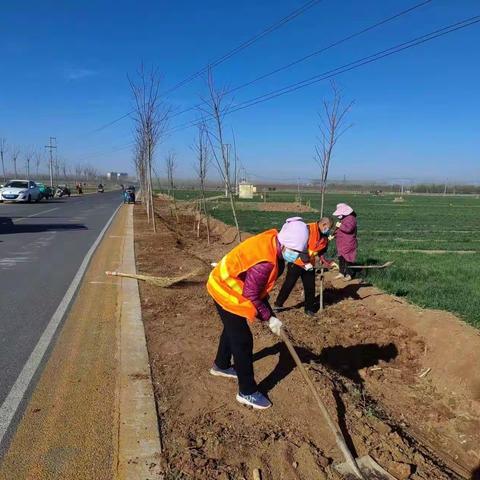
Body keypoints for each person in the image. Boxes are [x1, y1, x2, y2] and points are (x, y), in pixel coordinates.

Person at [207, 217, 309, 410]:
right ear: (286, 244)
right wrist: (269, 317)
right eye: (295, 252)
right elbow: (252, 294)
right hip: (225, 289)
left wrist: (269, 314)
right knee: (242, 339)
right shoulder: (267, 262)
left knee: (232, 329)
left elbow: (257, 289)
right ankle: (247, 392)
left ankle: (221, 365)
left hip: (226, 281)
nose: (296, 257)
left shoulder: (273, 240)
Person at [274, 217, 337, 316]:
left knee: (310, 286)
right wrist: (306, 261)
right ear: (324, 224)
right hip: (297, 261)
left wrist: (327, 261)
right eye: (328, 227)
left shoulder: (324, 235)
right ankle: (278, 304)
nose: (328, 230)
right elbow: (301, 245)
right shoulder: (308, 229)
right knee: (289, 284)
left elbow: (321, 250)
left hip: (309, 264)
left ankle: (309, 309)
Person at [331, 203, 357, 280]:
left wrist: (340, 226)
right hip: (341, 243)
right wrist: (333, 235)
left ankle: (349, 274)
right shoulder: (343, 219)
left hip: (348, 243)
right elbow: (339, 230)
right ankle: (341, 273)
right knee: (341, 258)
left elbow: (349, 229)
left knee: (348, 259)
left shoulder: (351, 219)